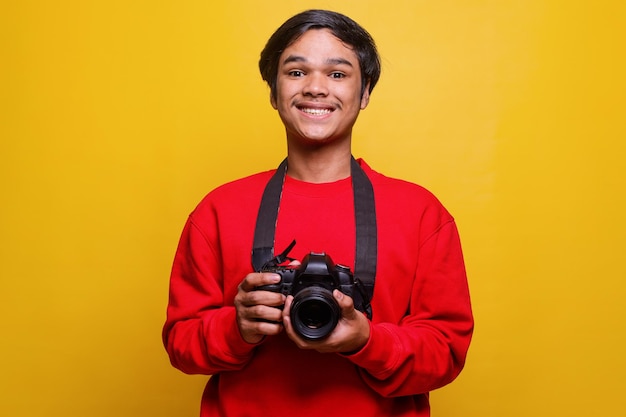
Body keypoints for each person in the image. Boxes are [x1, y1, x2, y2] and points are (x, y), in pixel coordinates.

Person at [163, 9, 473, 417]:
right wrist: (236, 327)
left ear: (365, 94)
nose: (315, 88)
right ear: (273, 93)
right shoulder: (218, 210)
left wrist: (365, 340)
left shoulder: (421, 214)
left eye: (338, 74)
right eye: (295, 72)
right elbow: (180, 343)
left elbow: (446, 352)